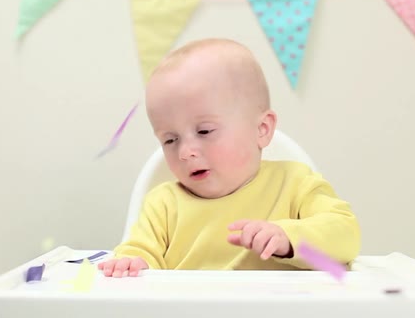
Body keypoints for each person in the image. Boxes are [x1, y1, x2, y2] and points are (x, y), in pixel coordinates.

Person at [98, 38, 360, 277]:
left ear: (261, 129)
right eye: (170, 139)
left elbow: (346, 238)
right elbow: (140, 252)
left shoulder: (295, 183)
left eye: (204, 131)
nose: (185, 151)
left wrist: (287, 238)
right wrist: (132, 262)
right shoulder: (163, 204)